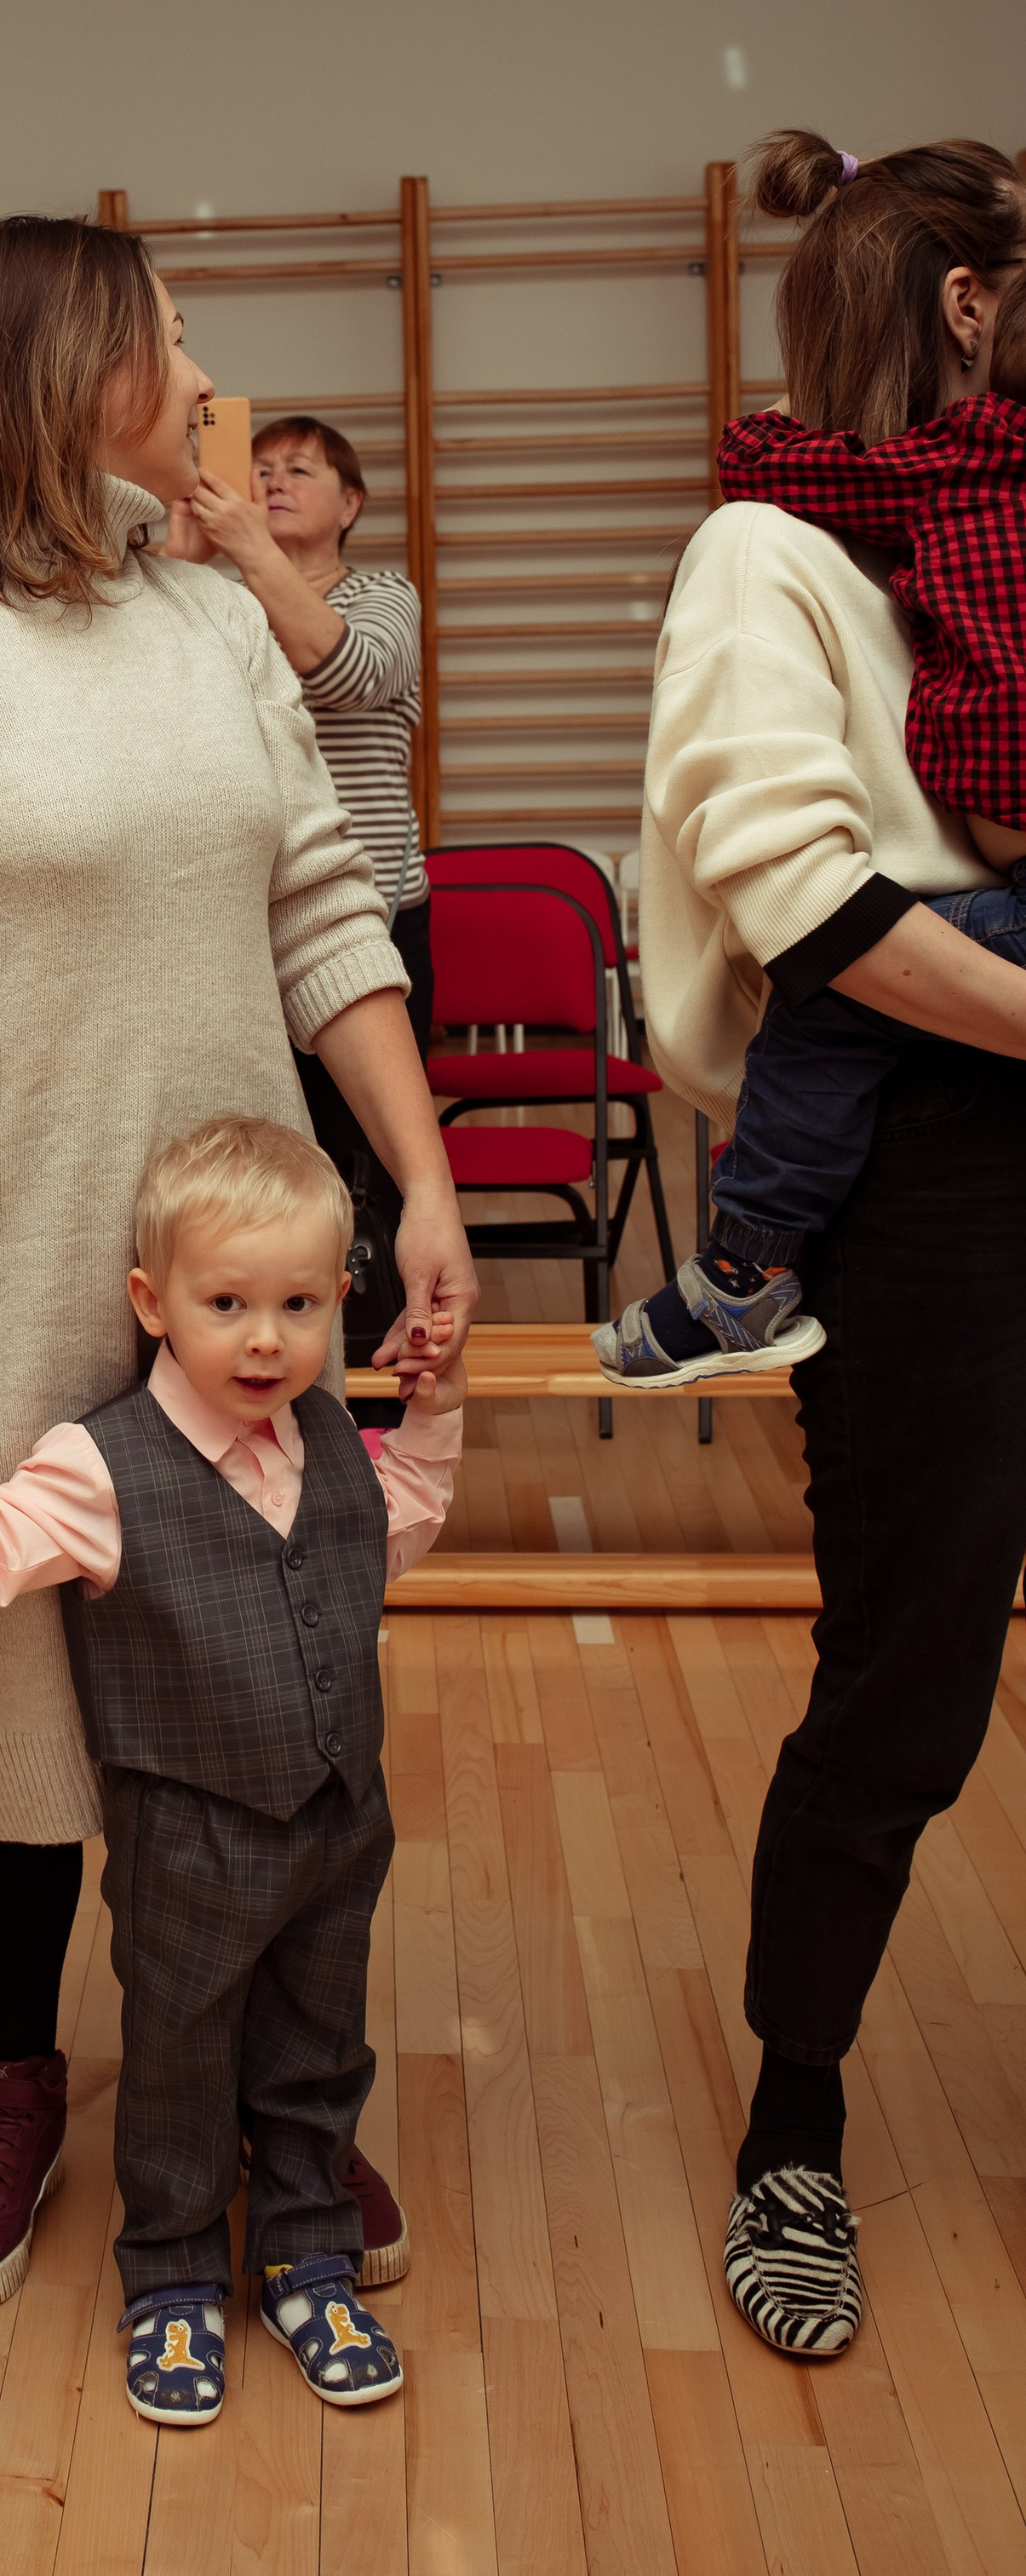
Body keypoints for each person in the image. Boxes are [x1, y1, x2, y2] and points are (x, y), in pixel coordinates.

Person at [0, 216, 475, 2316]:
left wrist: (420, 1178)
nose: (199, 375)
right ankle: (14, 2079)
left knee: (259, 1685)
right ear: (71, 370)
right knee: (1, 1700)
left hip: (236, 1266)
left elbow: (321, 905)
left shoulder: (204, 619)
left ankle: (268, 2090)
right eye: (168, 337)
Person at [633, 127, 1026, 2358]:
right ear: (967, 303)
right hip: (929, 1156)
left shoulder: (1012, 527)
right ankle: (794, 2116)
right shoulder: (768, 553)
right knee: (907, 1671)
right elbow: (809, 902)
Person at [0, 1116, 461, 2424]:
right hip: (188, 1843)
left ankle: (307, 2254)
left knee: (319, 2047)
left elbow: (405, 1520)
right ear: (152, 1303)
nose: (265, 1340)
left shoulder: (334, 1441)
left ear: (342, 1297)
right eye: (228, 1305)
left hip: (340, 1824)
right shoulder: (103, 1463)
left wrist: (435, 1408)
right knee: (180, 2062)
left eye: (298, 1306)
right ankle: (171, 2273)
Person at [604, 246, 1026, 1383]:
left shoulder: (966, 468)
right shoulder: (812, 540)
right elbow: (805, 900)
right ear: (963, 301)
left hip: (950, 1086)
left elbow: (767, 454)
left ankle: (745, 1268)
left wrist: (792, 415)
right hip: (939, 1131)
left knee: (829, 1003)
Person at [176, 418, 429, 1391]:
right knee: (265, 1162)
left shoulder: (382, 594)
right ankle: (267, 1375)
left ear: (350, 503)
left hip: (369, 927)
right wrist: (191, 558)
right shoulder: (218, 600)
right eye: (262, 468)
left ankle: (381, 1373)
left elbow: (347, 669)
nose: (274, 480)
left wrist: (247, 549)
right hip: (243, 925)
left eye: (300, 470)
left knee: (363, 1158)